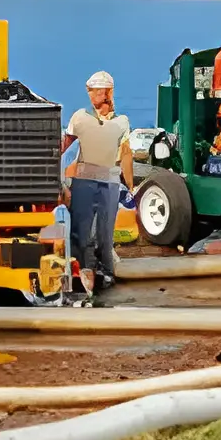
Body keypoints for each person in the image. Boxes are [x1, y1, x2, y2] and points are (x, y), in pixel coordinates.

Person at [60, 70, 133, 303]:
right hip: (83, 181)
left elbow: (126, 155)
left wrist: (131, 187)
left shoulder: (122, 123)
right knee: (80, 233)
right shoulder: (79, 117)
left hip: (109, 183)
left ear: (107, 92)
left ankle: (105, 274)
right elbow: (64, 144)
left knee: (105, 233)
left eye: (95, 90)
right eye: (89, 90)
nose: (91, 94)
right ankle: (79, 274)